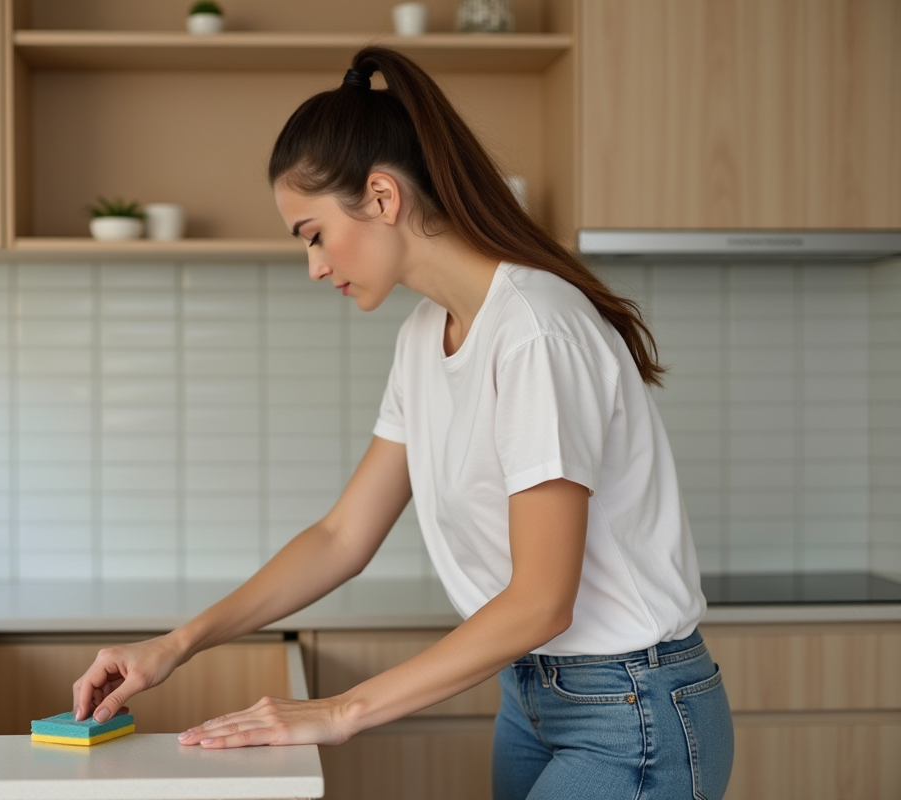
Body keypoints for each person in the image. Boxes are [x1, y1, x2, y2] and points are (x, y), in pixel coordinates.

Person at [73, 46, 735, 799]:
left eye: (313, 233)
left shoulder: (535, 331)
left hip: (630, 709)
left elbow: (541, 599)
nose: (315, 266)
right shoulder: (426, 335)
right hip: (534, 696)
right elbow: (341, 537)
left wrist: (339, 711)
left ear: (382, 198)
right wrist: (175, 645)